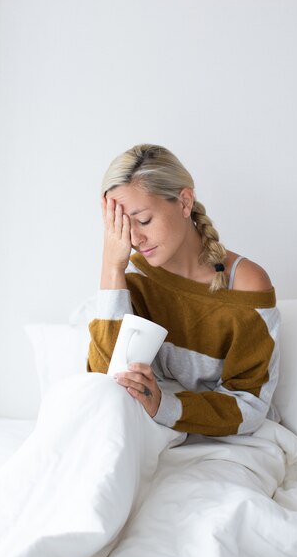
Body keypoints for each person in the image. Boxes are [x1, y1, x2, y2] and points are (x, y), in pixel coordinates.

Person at [87, 143, 280, 437]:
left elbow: (250, 407)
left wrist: (163, 404)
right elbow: (104, 385)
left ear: (184, 202)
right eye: (123, 227)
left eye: (143, 220)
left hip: (225, 440)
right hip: (144, 435)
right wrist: (111, 267)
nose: (135, 238)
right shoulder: (134, 279)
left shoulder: (245, 284)